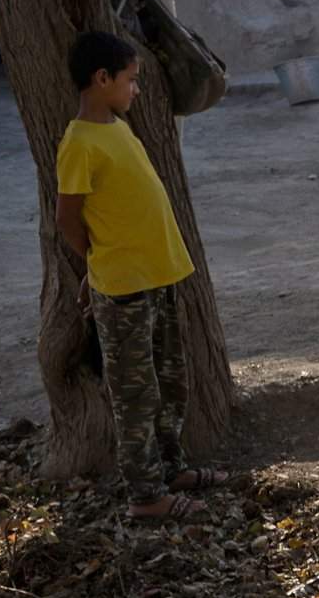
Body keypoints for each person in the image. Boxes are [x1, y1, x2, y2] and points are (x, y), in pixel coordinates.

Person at [54, 31, 227, 521]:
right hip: (123, 286)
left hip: (159, 277)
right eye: (130, 80)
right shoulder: (79, 142)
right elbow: (67, 218)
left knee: (172, 382)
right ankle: (146, 495)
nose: (137, 90)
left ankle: (172, 469)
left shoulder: (118, 126)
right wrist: (96, 262)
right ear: (101, 78)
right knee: (135, 393)